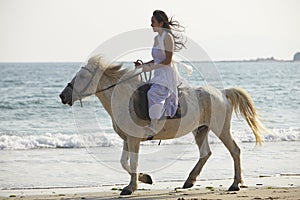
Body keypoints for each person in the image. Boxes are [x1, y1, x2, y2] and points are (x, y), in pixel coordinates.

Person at [134, 10, 186, 137]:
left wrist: (150, 68)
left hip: (166, 75)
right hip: (158, 74)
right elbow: (157, 58)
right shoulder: (157, 38)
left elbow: (167, 60)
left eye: (153, 22)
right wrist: (143, 65)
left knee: (153, 93)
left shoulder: (168, 37)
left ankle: (154, 125)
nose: (151, 25)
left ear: (161, 23)